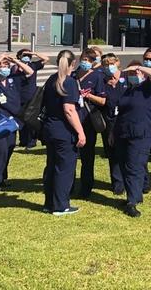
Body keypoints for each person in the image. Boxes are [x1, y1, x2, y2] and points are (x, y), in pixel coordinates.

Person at [110, 61, 151, 217]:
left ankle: (132, 202)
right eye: (130, 74)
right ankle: (135, 195)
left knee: (134, 166)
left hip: (140, 134)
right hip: (123, 132)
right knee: (124, 165)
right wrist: (113, 132)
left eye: (136, 73)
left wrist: (138, 68)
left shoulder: (148, 88)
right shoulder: (126, 90)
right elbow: (120, 112)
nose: (133, 75)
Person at [42, 50, 86, 216]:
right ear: (73, 64)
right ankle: (61, 205)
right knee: (65, 169)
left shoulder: (51, 79)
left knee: (52, 166)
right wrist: (81, 132)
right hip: (64, 131)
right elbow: (69, 110)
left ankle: (49, 203)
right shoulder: (69, 82)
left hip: (50, 129)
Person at [0, 53, 33, 192]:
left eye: (6, 66)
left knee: (9, 148)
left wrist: (14, 60)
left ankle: (2, 177)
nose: (5, 68)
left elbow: (30, 72)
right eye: (2, 66)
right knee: (0, 151)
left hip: (13, 120)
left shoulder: (12, 79)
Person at [73, 48, 106, 199]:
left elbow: (103, 100)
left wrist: (89, 96)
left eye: (88, 60)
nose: (85, 62)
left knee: (87, 157)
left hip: (88, 121)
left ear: (93, 63)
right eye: (83, 59)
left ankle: (86, 188)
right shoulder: (73, 75)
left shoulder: (97, 76)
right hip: (72, 120)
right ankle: (69, 185)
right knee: (71, 156)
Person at [14, 49, 49, 149]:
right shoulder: (14, 68)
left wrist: (34, 53)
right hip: (18, 97)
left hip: (30, 97)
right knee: (20, 120)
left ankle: (31, 141)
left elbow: (46, 59)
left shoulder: (33, 65)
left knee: (29, 119)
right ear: (19, 56)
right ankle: (23, 140)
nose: (27, 57)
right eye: (25, 55)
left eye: (29, 56)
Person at [102, 55, 125, 195]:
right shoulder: (103, 82)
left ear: (118, 63)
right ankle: (117, 183)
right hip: (109, 122)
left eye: (112, 63)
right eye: (106, 64)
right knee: (113, 155)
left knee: (127, 154)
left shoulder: (126, 79)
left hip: (125, 121)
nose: (109, 66)